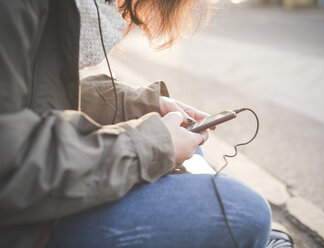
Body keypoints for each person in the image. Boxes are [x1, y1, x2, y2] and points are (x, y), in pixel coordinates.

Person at [0, 0, 278, 247]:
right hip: (23, 229)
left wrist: (140, 106)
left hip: (39, 205)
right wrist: (152, 144)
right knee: (245, 212)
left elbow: (36, 98)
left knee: (191, 148)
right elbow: (9, 164)